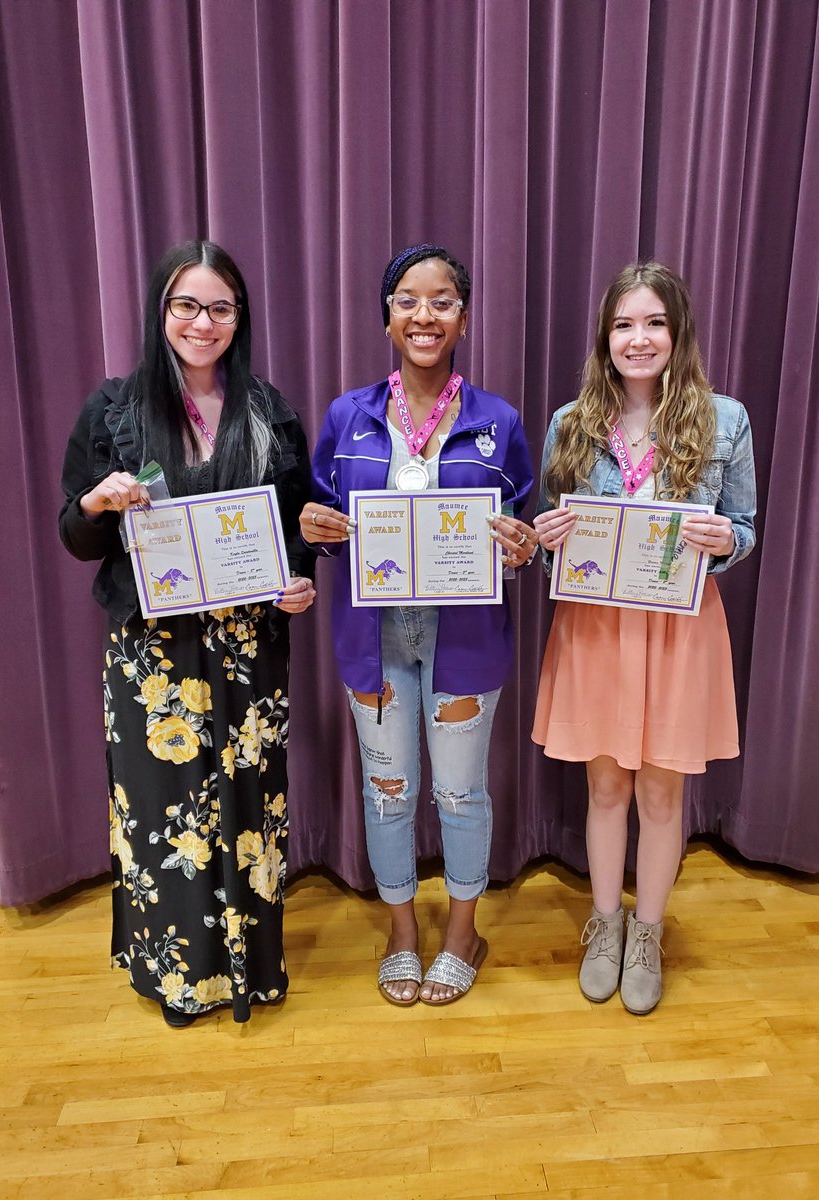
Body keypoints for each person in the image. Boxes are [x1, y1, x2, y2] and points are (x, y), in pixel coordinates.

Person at [59, 240, 315, 1026]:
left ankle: (252, 971)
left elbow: (294, 527)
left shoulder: (269, 411)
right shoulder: (113, 409)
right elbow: (74, 534)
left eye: (220, 308)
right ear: (161, 312)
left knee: (246, 808)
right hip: (153, 654)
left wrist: (299, 579)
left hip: (248, 647)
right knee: (167, 811)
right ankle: (180, 979)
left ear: (240, 319)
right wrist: (98, 503)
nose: (203, 322)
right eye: (187, 305)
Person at [301, 244, 537, 1006]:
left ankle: (463, 931)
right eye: (408, 299)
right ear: (388, 317)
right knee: (388, 791)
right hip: (374, 640)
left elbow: (523, 530)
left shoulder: (498, 421)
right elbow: (320, 516)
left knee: (462, 795)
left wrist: (521, 548)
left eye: (441, 301)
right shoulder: (350, 415)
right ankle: (403, 932)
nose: (424, 314)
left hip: (464, 638)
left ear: (463, 318)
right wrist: (314, 527)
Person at [532, 261, 756, 1015]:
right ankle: (605, 922)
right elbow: (550, 534)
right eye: (624, 324)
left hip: (680, 631)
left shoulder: (726, 420)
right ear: (606, 336)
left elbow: (745, 527)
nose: (639, 338)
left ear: (677, 332)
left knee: (662, 790)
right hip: (596, 628)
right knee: (604, 783)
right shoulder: (571, 421)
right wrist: (549, 535)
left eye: (654, 322)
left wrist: (728, 537)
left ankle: (648, 931)